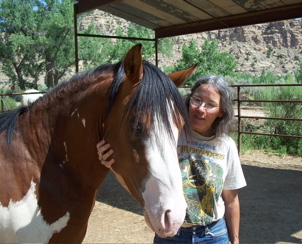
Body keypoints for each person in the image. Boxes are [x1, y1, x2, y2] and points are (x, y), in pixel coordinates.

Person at [97, 75, 246, 244]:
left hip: (214, 234)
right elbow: (140, 178)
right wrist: (113, 165)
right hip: (173, 234)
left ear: (221, 112)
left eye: (210, 104)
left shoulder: (226, 146)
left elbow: (231, 199)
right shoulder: (168, 135)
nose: (201, 109)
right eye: (196, 100)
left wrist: (235, 240)